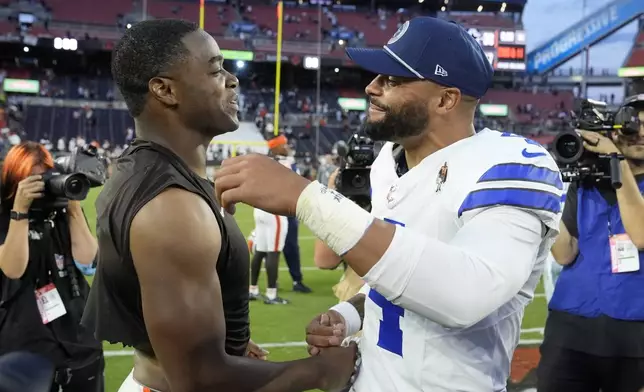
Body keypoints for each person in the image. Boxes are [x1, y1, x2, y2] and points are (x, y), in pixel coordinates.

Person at [214, 16, 563, 392]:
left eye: (393, 80)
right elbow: (398, 276)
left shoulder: (511, 164)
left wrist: (305, 197)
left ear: (446, 99)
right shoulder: (386, 162)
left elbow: (464, 295)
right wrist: (350, 314)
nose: (371, 87)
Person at [81, 19, 356, 392]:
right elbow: (198, 379)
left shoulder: (151, 172)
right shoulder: (171, 206)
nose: (232, 79)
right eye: (214, 69)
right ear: (164, 89)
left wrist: (230, 343)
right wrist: (322, 371)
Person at [538, 104, 644, 392]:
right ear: (614, 131)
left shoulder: (617, 168)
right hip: (571, 329)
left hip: (635, 335)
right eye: (633, 125)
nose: (640, 134)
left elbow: (641, 235)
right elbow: (564, 252)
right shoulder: (585, 184)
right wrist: (545, 200)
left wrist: (617, 162)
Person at [0, 142, 104, 391]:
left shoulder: (58, 213)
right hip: (25, 348)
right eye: (31, 180)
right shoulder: (5, 215)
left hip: (78, 343)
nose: (42, 186)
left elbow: (89, 262)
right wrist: (20, 212)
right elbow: (13, 268)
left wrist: (73, 208)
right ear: (15, 179)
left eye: (45, 177)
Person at [249, 135, 291, 305]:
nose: (286, 147)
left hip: (259, 210)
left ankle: (252, 289)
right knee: (273, 251)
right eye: (283, 145)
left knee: (260, 250)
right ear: (276, 147)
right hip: (275, 210)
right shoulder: (283, 163)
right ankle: (272, 294)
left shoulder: (261, 162)